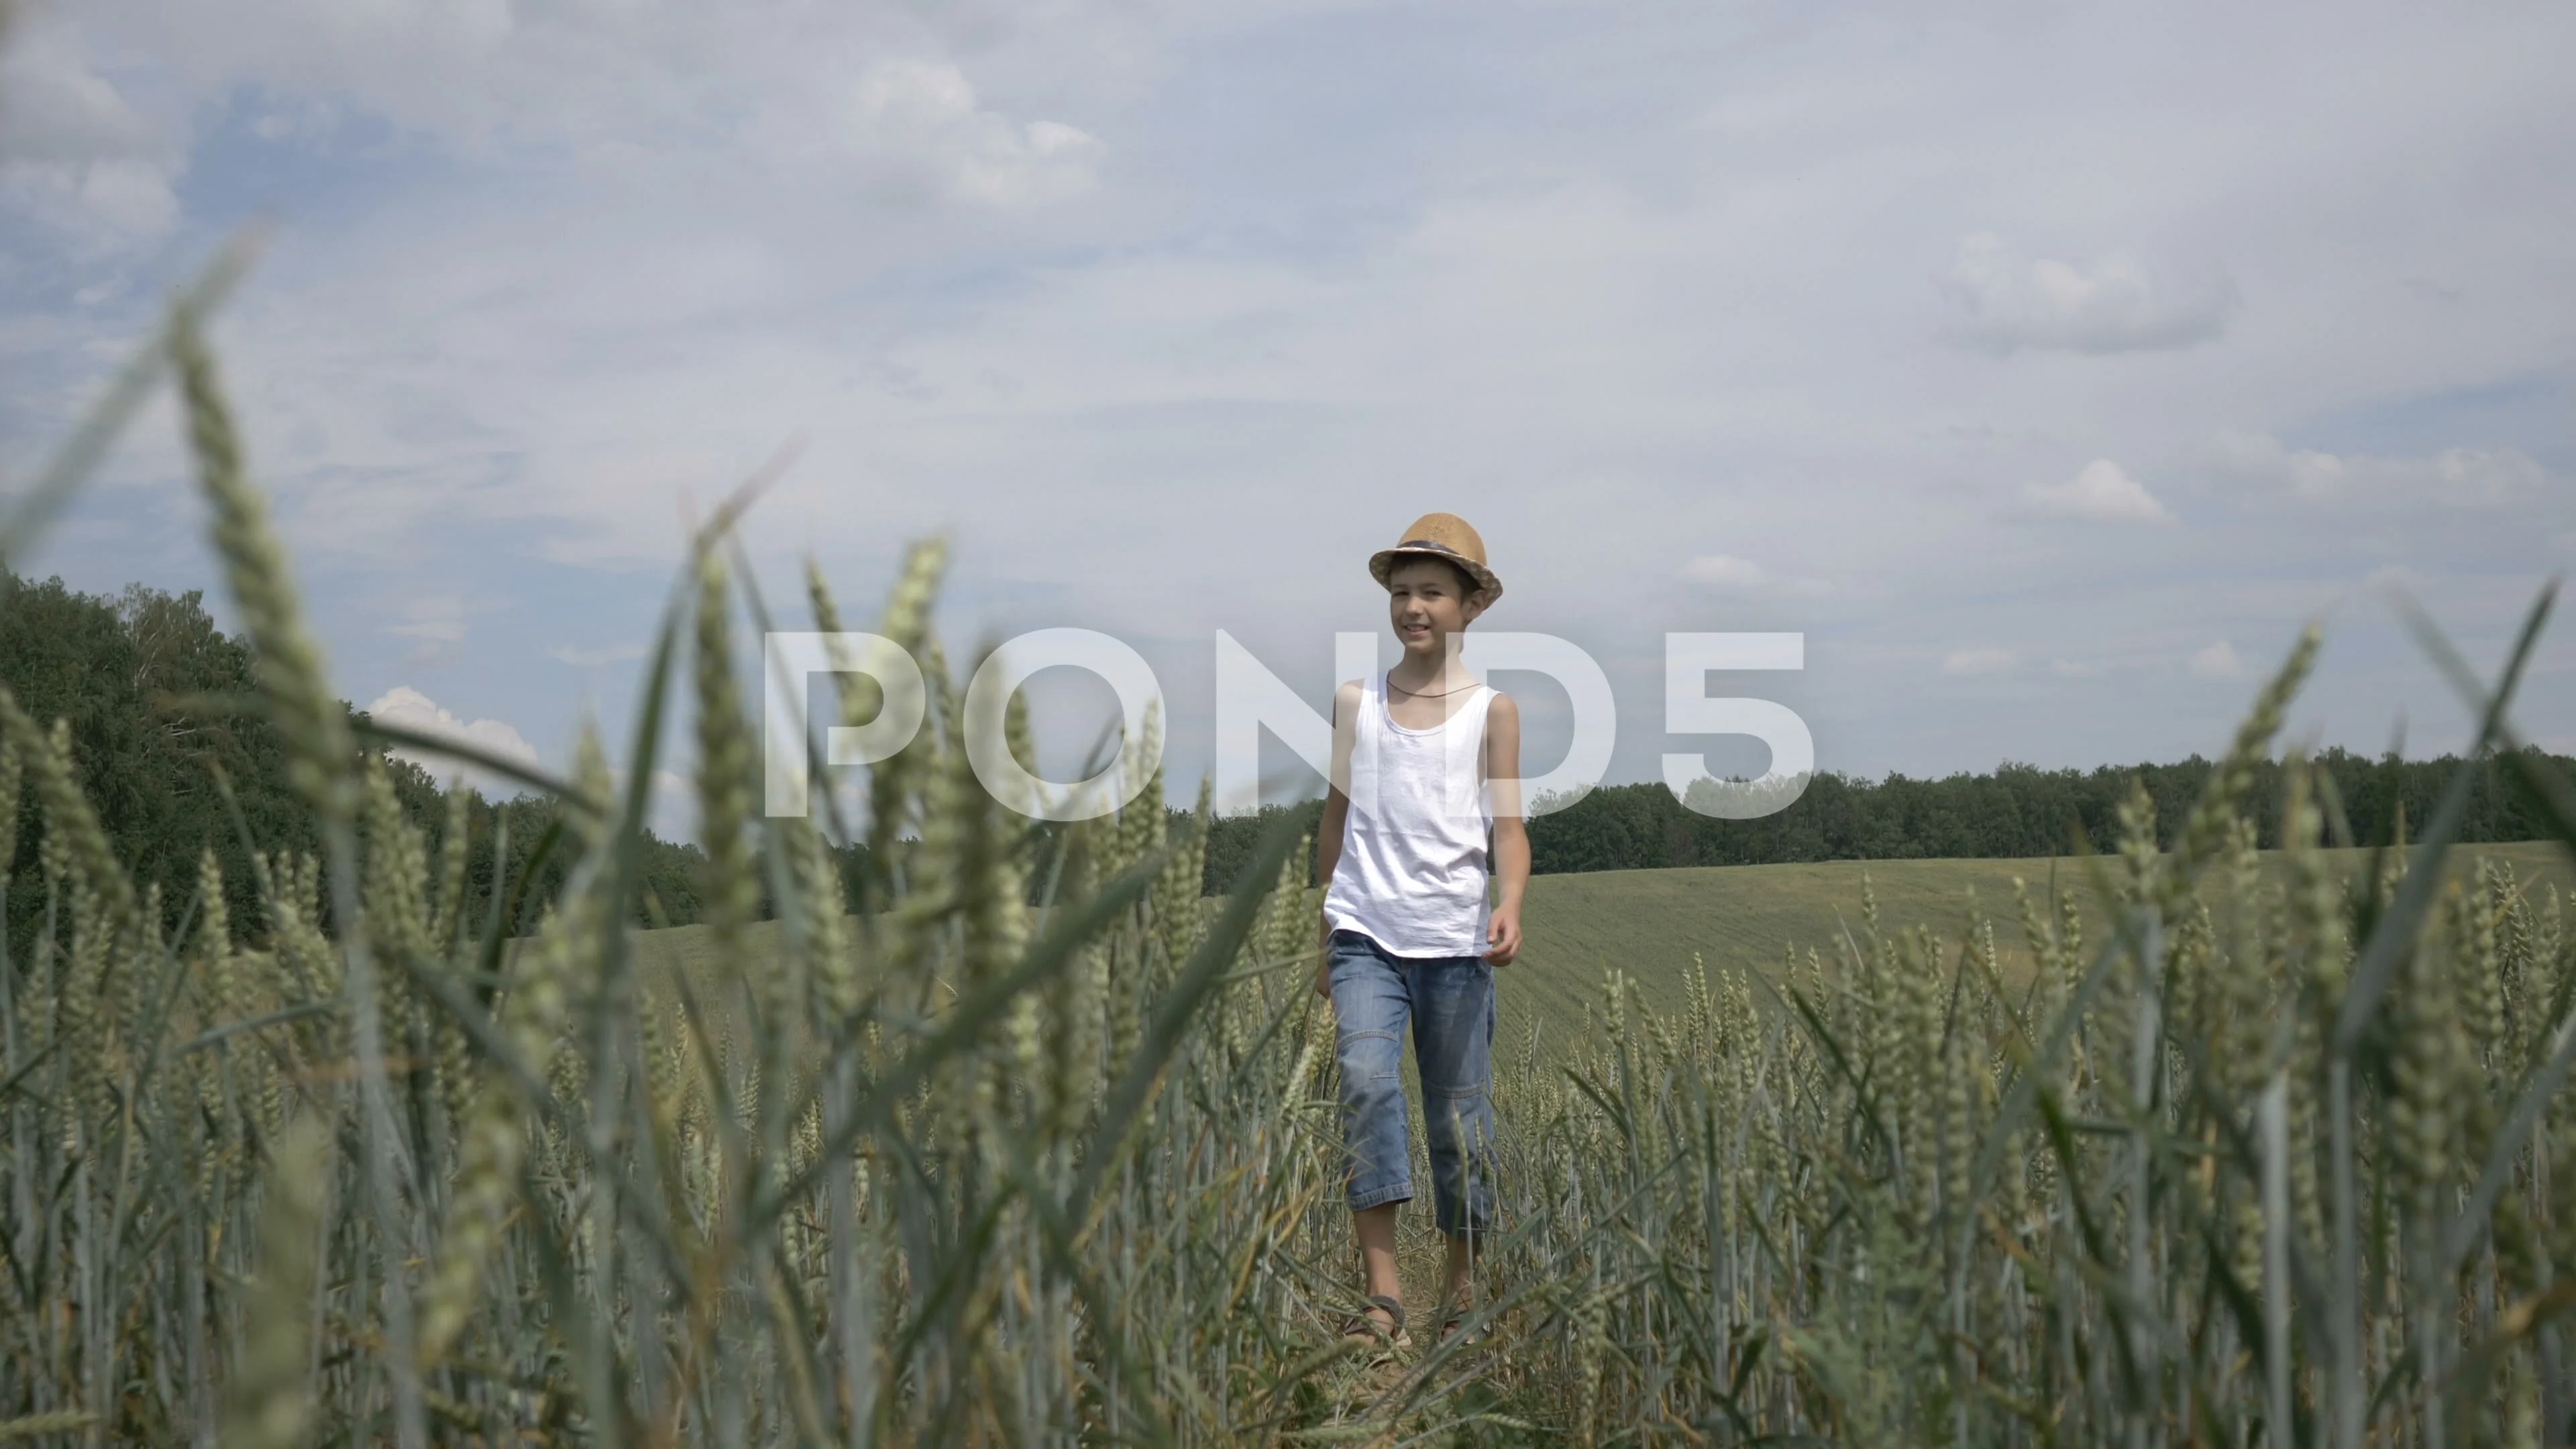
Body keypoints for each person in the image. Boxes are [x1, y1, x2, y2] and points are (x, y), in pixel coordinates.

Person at [1313, 511, 1527, 1353]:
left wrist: (1510, 900)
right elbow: (1336, 819)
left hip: (1456, 941)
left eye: (1433, 592)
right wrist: (1322, 930)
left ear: (1470, 606)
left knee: (1458, 1118)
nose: (1414, 607)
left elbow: (1508, 830)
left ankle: (1464, 1289)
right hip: (1365, 931)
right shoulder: (1356, 704)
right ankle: (1386, 1295)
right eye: (1402, 592)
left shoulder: (1493, 712)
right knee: (1366, 1083)